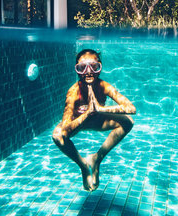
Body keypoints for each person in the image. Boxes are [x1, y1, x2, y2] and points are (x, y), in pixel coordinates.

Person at [52, 49, 136, 191]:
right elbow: (66, 129)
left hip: (98, 120)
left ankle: (97, 158)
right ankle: (84, 166)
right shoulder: (73, 92)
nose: (88, 72)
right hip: (78, 123)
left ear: (99, 68)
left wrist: (100, 109)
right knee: (57, 136)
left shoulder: (103, 86)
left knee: (128, 122)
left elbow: (131, 108)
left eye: (94, 67)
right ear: (77, 70)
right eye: (82, 68)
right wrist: (86, 114)